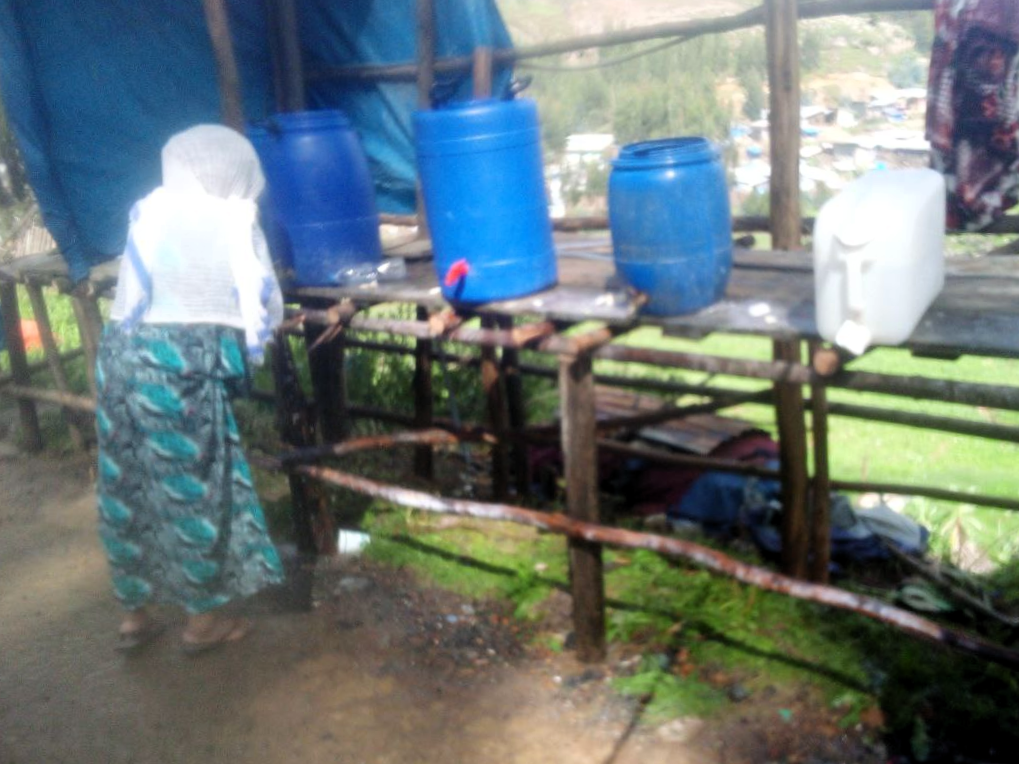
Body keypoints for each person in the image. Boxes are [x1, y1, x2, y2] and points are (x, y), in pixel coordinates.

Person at [95, 124, 285, 655]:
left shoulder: (150, 210)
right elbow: (264, 301)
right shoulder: (234, 219)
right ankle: (203, 623)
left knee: (125, 484)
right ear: (231, 171)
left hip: (118, 356)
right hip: (175, 369)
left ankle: (134, 616)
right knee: (192, 488)